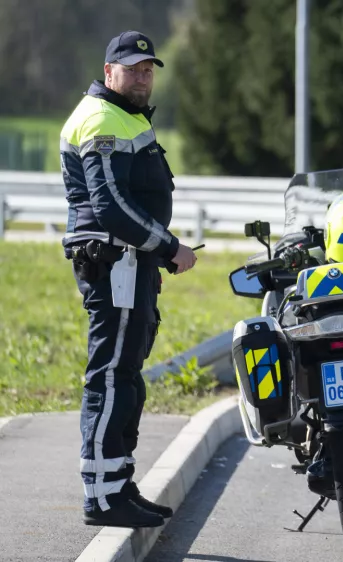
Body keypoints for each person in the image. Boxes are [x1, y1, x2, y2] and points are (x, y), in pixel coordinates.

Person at [60, 30, 198, 528]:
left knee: (126, 379)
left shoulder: (125, 116)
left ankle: (118, 483)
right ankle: (102, 497)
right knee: (111, 378)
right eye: (132, 69)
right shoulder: (102, 118)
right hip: (114, 263)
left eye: (147, 70)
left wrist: (155, 254)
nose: (142, 77)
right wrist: (168, 247)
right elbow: (111, 207)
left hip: (129, 264)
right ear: (108, 71)